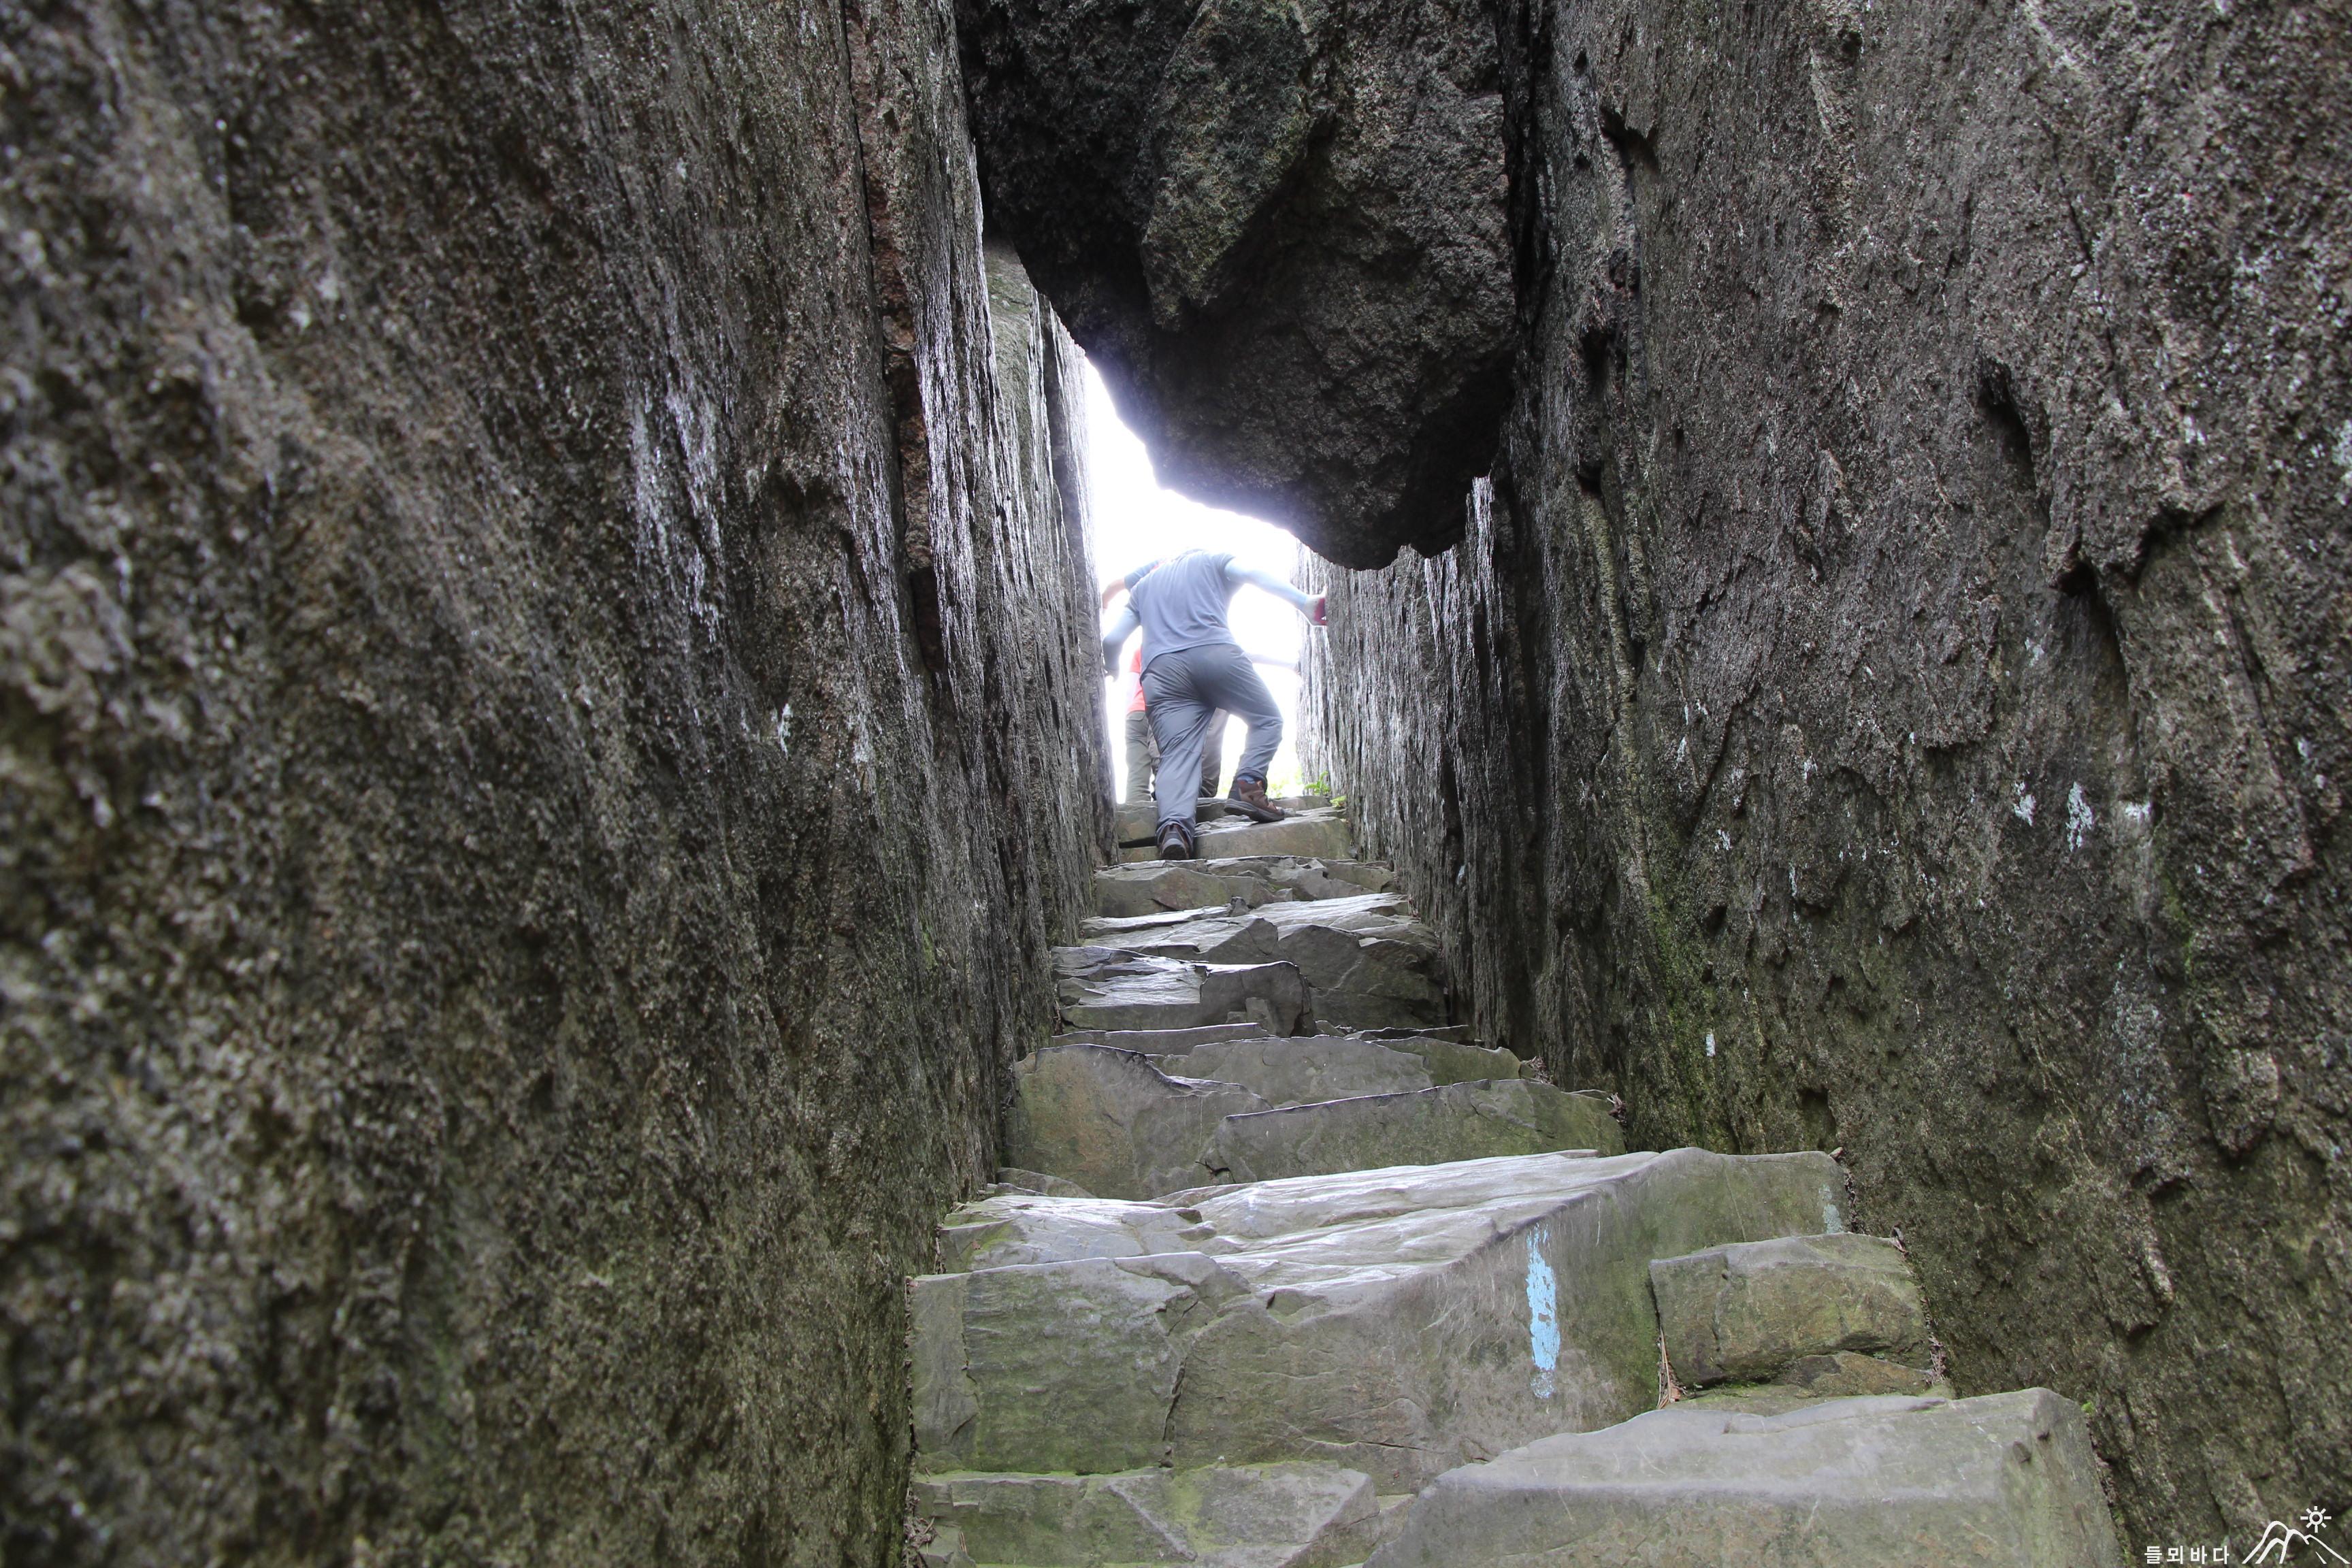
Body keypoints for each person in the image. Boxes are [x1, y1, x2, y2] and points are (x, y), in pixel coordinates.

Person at [1100, 552, 1327, 860]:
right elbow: (1252, 571)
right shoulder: (1212, 559)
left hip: (1163, 674)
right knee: (1265, 718)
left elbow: (1113, 640)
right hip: (1215, 654)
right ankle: (1249, 784)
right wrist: (1305, 603)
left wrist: (1113, 668)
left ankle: (1174, 831)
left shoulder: (1143, 587)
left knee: (1177, 755)